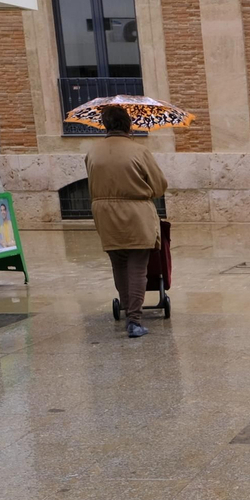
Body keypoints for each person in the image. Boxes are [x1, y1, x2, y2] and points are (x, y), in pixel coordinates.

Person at [84, 104, 168, 338]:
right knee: (137, 267)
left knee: (118, 263)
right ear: (128, 125)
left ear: (105, 125)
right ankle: (134, 319)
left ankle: (125, 307)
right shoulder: (139, 151)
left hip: (104, 214)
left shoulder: (93, 152)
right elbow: (160, 186)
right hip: (136, 213)